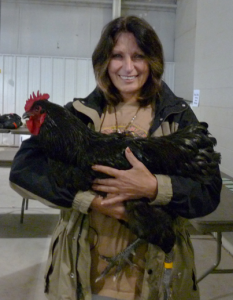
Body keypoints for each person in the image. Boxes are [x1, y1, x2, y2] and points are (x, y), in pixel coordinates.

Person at [10, 16, 222, 300]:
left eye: (138, 56)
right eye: (117, 56)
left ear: (153, 61)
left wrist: (153, 188)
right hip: (84, 276)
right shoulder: (79, 114)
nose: (128, 67)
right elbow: (24, 171)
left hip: (154, 282)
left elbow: (208, 193)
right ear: (104, 61)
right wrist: (95, 202)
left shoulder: (177, 115)